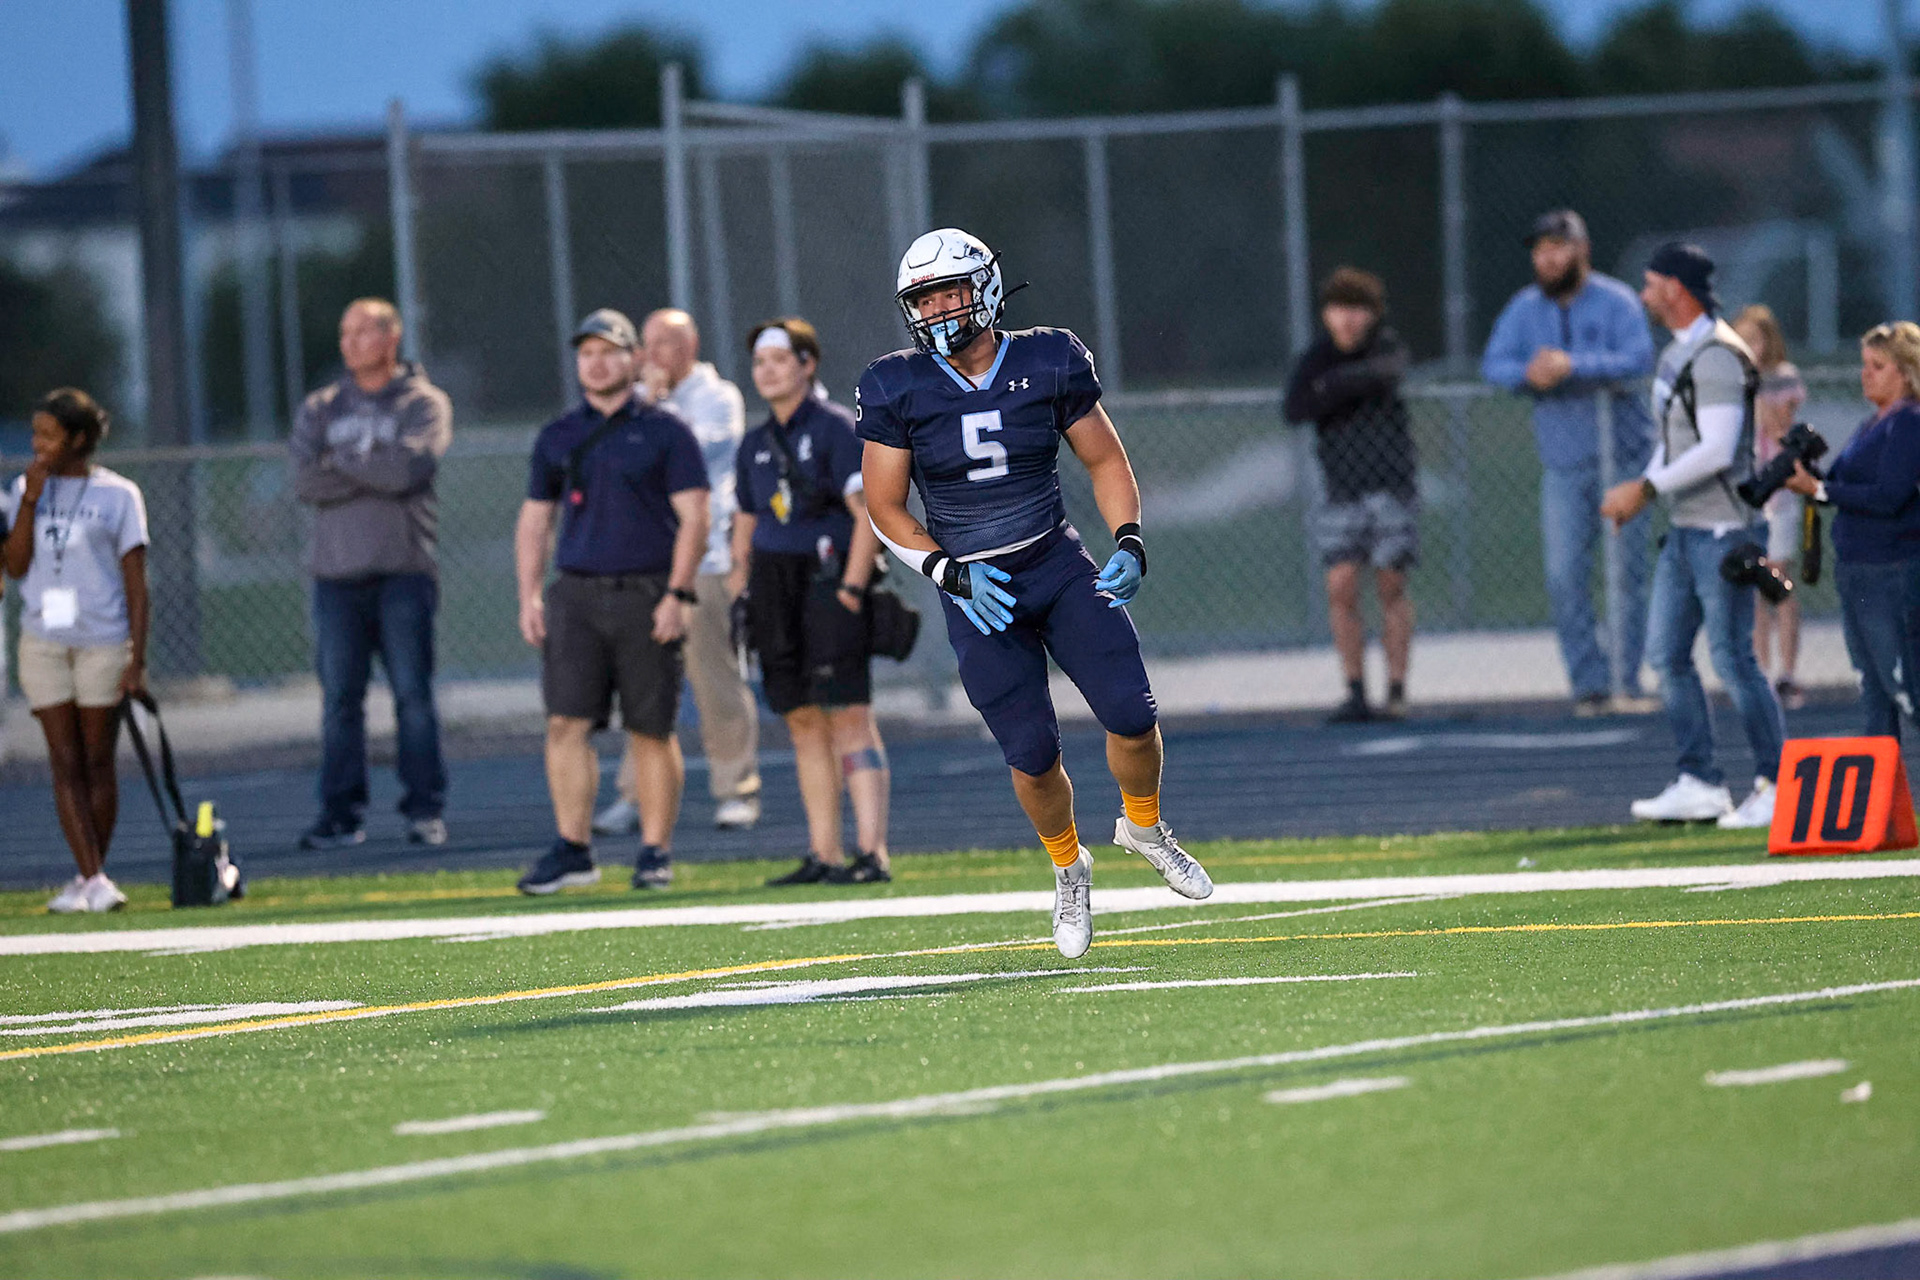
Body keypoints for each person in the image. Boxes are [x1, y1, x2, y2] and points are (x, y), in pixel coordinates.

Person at [858, 227, 1213, 959]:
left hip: (1055, 562)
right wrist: (947, 572)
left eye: (948, 292)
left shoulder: (1048, 357)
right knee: (1031, 754)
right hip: (976, 587)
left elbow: (1105, 459)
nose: (936, 310)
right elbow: (884, 505)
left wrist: (1129, 538)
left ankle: (1143, 826)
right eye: (923, 299)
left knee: (1132, 714)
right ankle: (1068, 868)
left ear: (985, 288)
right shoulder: (897, 383)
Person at [513, 309, 709, 893]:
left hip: (647, 593)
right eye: (587, 354)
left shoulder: (666, 431)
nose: (596, 364)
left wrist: (678, 593)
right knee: (565, 723)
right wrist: (529, 595)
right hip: (576, 594)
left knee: (650, 729)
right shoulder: (557, 435)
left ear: (634, 359)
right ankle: (574, 850)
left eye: (608, 352)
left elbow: (695, 517)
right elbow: (535, 521)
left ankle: (654, 851)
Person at [1602, 242, 1785, 829]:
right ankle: (1700, 781)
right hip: (1686, 529)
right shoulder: (1677, 353)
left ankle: (1777, 783)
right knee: (1667, 655)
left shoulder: (1718, 355)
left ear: (1676, 289)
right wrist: (1646, 487)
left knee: (1733, 659)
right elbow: (1675, 442)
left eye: (1651, 283)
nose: (1643, 294)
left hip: (1724, 530)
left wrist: (1644, 488)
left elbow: (1716, 448)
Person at [289, 298, 453, 850]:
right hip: (336, 579)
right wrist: (373, 466)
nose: (350, 342)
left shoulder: (423, 403)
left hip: (403, 574)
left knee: (413, 697)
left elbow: (408, 469)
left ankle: (424, 810)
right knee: (340, 702)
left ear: (391, 338)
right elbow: (304, 481)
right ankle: (340, 815)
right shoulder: (322, 407)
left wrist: (340, 462)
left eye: (362, 331)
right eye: (345, 332)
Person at [733, 318, 893, 885]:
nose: (768, 371)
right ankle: (823, 852)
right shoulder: (753, 443)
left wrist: (850, 589)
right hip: (773, 585)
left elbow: (867, 514)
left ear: (807, 364)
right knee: (801, 717)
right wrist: (741, 592)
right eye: (760, 362)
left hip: (827, 580)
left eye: (780, 359)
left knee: (849, 714)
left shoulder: (835, 428)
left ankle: (871, 852)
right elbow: (745, 524)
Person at [1483, 209, 1659, 715]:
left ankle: (1626, 680)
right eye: (1540, 250)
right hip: (1565, 463)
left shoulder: (1617, 301)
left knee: (1625, 575)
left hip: (1624, 459)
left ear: (1581, 249)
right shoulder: (1524, 308)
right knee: (1564, 576)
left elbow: (1638, 358)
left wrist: (1574, 366)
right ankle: (1590, 684)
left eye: (1558, 247)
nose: (1548, 259)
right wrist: (1528, 374)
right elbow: (1494, 364)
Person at [594, 308, 762, 836]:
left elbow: (694, 452)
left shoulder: (717, 396)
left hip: (706, 561)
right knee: (640, 686)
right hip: (648, 562)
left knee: (715, 681)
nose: (648, 355)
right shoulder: (637, 401)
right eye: (644, 344)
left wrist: (654, 403)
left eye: (660, 343)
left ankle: (736, 791)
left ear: (688, 346)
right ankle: (636, 794)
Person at [2, 389, 148, 912]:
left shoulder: (119, 495)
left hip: (102, 642)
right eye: (36, 434)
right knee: (64, 761)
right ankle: (94, 877)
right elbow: (15, 565)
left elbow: (137, 585)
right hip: (44, 641)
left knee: (97, 760)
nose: (38, 445)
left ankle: (90, 878)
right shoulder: (24, 489)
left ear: (79, 439)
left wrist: (137, 659)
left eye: (49, 435)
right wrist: (29, 501)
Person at [1283, 267, 1417, 723]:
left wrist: (1333, 387)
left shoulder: (1386, 347)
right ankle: (1356, 689)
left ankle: (1396, 689)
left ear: (1373, 314)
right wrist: (1339, 387)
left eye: (1358, 309)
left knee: (1391, 584)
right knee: (1340, 584)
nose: (1348, 319)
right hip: (1340, 489)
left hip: (1390, 486)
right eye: (1339, 309)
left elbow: (1386, 374)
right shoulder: (1316, 356)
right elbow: (1295, 407)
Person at [1784, 322, 1920, 739]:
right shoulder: (1871, 424)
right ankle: (1886, 779)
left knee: (1905, 686)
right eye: (1864, 365)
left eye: (1878, 366)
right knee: (1873, 687)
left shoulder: (1909, 422)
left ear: (1906, 373)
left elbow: (1890, 496)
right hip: (1858, 569)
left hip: (1890, 568)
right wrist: (1808, 476)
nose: (1866, 374)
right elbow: (1839, 487)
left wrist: (1819, 488)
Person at [1732, 304, 1810, 710]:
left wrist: (1758, 394)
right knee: (1753, 589)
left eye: (1755, 339)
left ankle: (1788, 673)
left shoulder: (1782, 378)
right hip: (1746, 498)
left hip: (1777, 495)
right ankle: (1761, 672)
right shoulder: (1733, 379)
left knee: (1779, 583)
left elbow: (1779, 431)